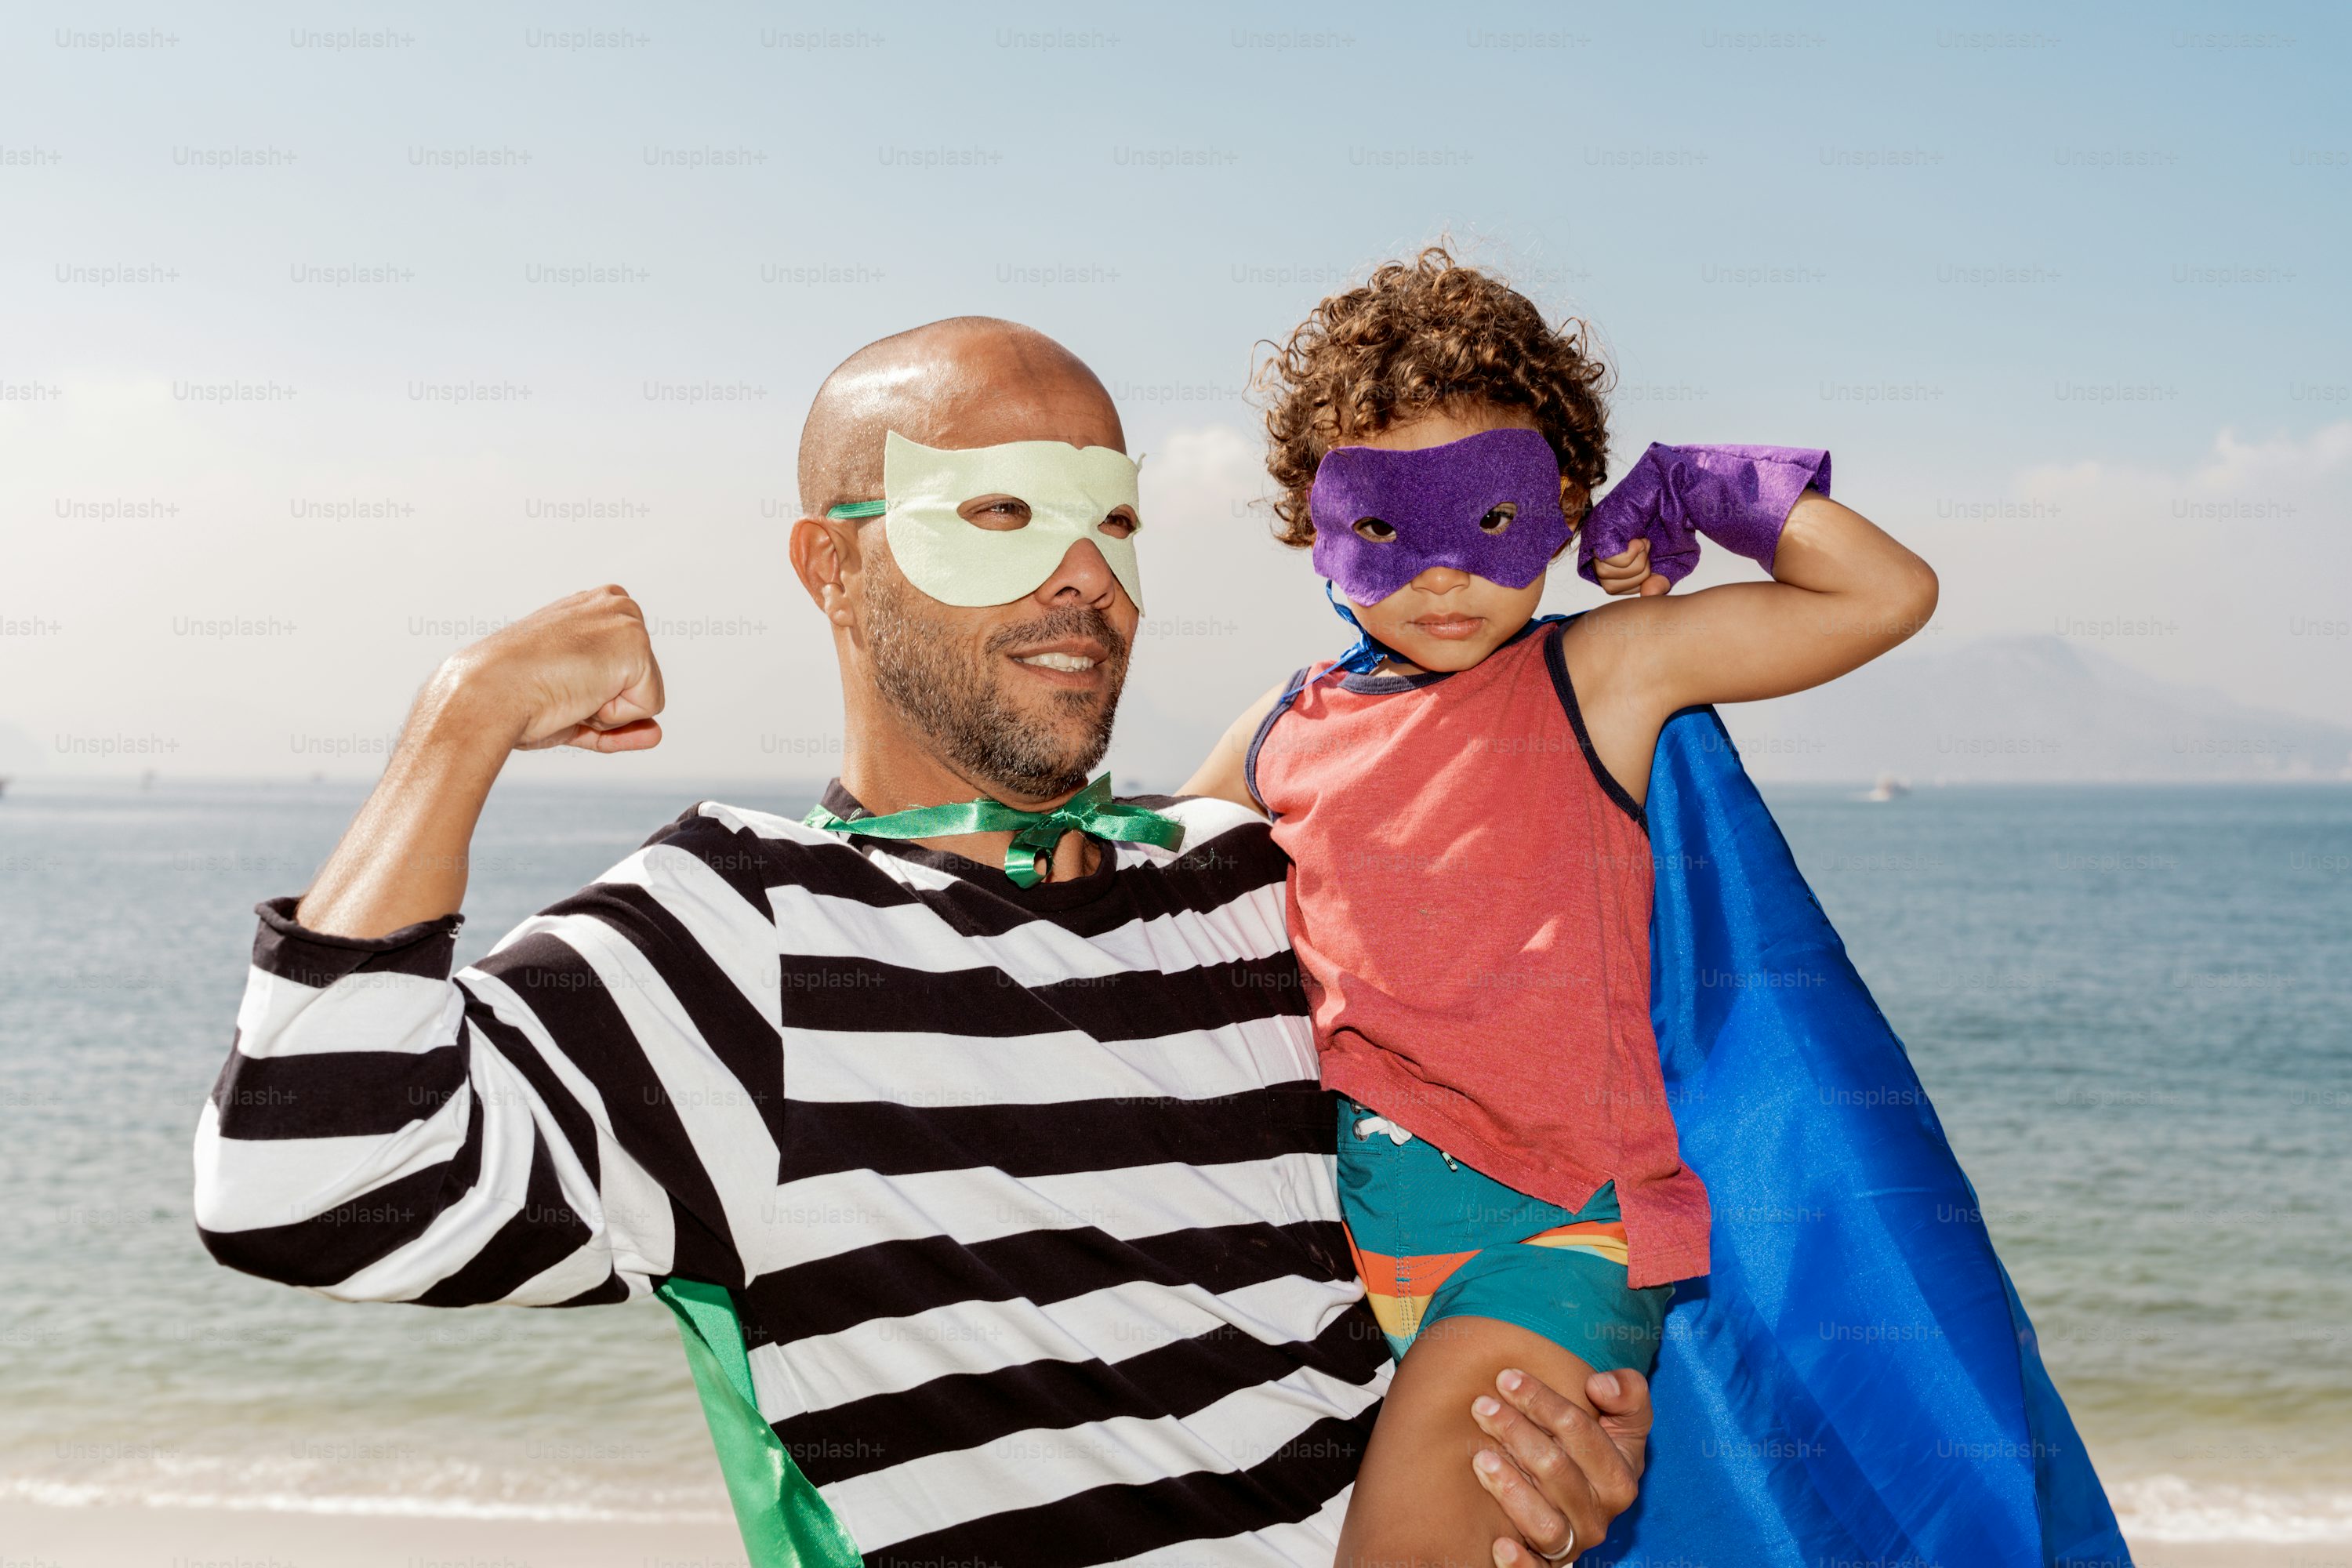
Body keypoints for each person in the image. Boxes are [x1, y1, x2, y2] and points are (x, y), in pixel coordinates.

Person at [191, 316, 1651, 1567]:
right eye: (1004, 516)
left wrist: (1554, 1432)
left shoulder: (1251, 877)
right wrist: (465, 716)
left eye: (1115, 520)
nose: (1086, 575)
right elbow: (310, 1178)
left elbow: (1517, 1149)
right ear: (833, 571)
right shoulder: (739, 936)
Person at [1181, 249, 1942, 1563]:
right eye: (1384, 521)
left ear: (1561, 501)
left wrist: (1712, 488)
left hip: (1550, 1247)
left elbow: (1889, 595)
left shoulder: (1603, 674)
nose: (1442, 571)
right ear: (1315, 519)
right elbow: (1126, 890)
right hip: (1341, 1271)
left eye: (1488, 516)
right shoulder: (1278, 734)